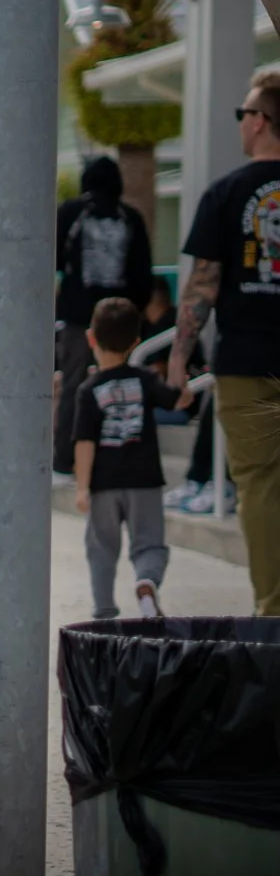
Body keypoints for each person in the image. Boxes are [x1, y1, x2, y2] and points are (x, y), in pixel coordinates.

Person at [171, 68, 280, 610]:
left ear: (260, 122)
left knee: (259, 487)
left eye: (243, 114)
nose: (241, 123)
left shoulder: (226, 193)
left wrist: (177, 361)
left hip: (247, 365)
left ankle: (274, 609)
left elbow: (203, 288)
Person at [73, 296, 174, 619]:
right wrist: (182, 385)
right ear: (135, 343)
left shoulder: (88, 390)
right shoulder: (145, 380)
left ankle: (104, 610)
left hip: (104, 483)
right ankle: (146, 582)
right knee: (149, 544)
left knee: (101, 548)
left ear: (91, 337)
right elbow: (175, 398)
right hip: (144, 479)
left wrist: (82, 487)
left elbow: (85, 443)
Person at [55, 157, 154, 476]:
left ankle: (66, 458)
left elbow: (53, 259)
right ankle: (118, 456)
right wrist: (132, 312)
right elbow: (143, 275)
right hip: (120, 319)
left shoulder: (70, 213)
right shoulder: (131, 219)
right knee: (120, 387)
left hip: (78, 318)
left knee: (73, 385)